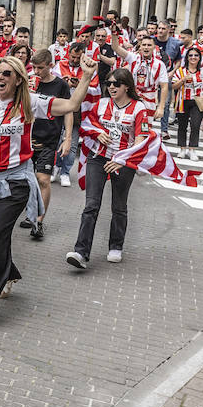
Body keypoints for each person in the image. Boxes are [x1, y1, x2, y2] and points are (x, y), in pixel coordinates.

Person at [0, 51, 96, 328]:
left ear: (18, 79)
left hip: (14, 183)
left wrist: (86, 76)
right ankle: (9, 272)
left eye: (6, 74)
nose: (0, 78)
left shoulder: (31, 102)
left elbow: (71, 104)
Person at [66, 67, 153, 269]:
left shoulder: (139, 108)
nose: (111, 87)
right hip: (98, 157)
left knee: (119, 207)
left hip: (123, 162)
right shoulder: (102, 104)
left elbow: (141, 141)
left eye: (116, 84)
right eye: (108, 83)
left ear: (127, 87)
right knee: (91, 205)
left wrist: (122, 160)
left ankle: (116, 246)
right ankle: (80, 253)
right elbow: (88, 124)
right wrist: (98, 134)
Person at [27, 49, 72, 241]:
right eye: (34, 67)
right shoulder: (29, 81)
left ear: (51, 66)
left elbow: (68, 110)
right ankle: (30, 213)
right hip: (27, 138)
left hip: (49, 139)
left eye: (40, 68)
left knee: (43, 179)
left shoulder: (60, 85)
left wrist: (68, 138)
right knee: (27, 181)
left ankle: (38, 221)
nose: (36, 71)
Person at [171, 46, 203, 161]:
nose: (193, 57)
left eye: (196, 55)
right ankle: (182, 149)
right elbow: (173, 86)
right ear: (187, 57)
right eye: (190, 55)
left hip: (198, 101)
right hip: (183, 101)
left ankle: (192, 150)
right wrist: (183, 80)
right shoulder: (181, 71)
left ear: (199, 58)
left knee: (195, 126)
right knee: (182, 126)